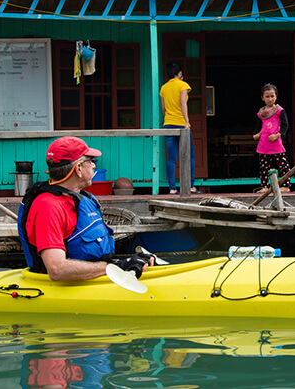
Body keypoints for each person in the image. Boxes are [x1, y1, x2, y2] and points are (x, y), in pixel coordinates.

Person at [17, 136, 152, 281]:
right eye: (91, 161)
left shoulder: (82, 198)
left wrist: (129, 261)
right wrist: (114, 267)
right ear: (79, 168)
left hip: (93, 279)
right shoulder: (48, 207)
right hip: (60, 289)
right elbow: (56, 269)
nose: (94, 166)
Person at [160, 62, 201, 195]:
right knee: (190, 156)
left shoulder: (164, 88)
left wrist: (169, 119)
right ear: (180, 73)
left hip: (168, 124)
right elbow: (183, 103)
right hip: (181, 124)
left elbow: (164, 109)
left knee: (172, 158)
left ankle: (172, 188)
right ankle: (190, 186)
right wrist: (187, 121)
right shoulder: (183, 85)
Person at [252, 83, 291, 193]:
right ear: (262, 98)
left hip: (275, 142)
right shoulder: (261, 113)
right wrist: (256, 134)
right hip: (264, 143)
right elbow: (258, 127)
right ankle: (265, 186)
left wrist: (278, 135)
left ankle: (286, 185)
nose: (270, 99)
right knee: (264, 166)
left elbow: (285, 125)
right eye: (267, 96)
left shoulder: (279, 110)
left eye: (272, 96)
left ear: (276, 96)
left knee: (283, 164)